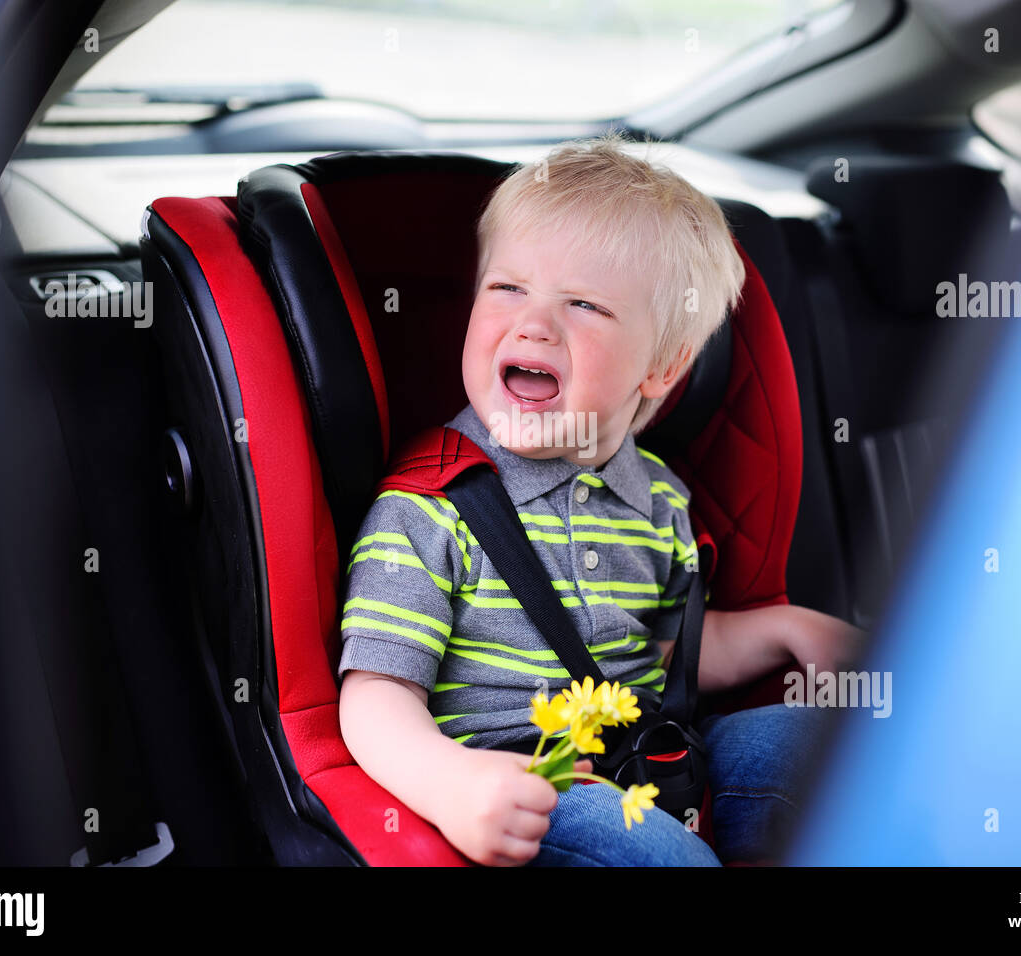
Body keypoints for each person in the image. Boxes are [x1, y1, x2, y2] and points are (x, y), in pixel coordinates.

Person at [337, 131, 864, 866]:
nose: (533, 322)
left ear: (662, 365)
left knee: (829, 742)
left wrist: (784, 629)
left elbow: (663, 652)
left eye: (583, 303)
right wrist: (450, 783)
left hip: (650, 755)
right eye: (507, 288)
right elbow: (374, 695)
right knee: (654, 852)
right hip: (526, 782)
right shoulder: (428, 509)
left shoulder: (658, 500)